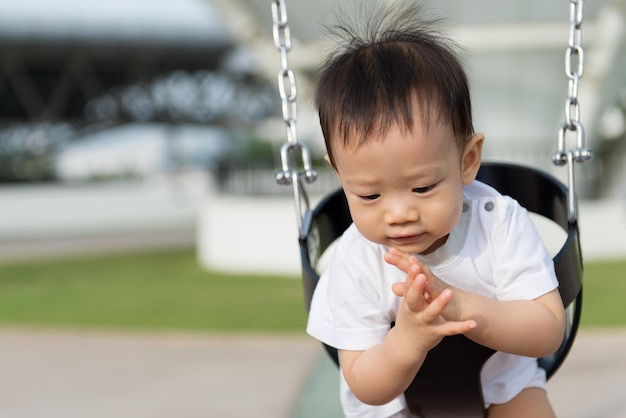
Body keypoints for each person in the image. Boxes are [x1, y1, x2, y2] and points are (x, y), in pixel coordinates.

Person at [305, 3, 566, 418]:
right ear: (340, 177)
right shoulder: (356, 259)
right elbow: (366, 384)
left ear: (467, 161)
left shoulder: (499, 222)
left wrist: (461, 307)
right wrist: (408, 338)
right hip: (396, 406)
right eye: (370, 196)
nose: (399, 213)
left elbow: (548, 330)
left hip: (501, 388)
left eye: (423, 187)